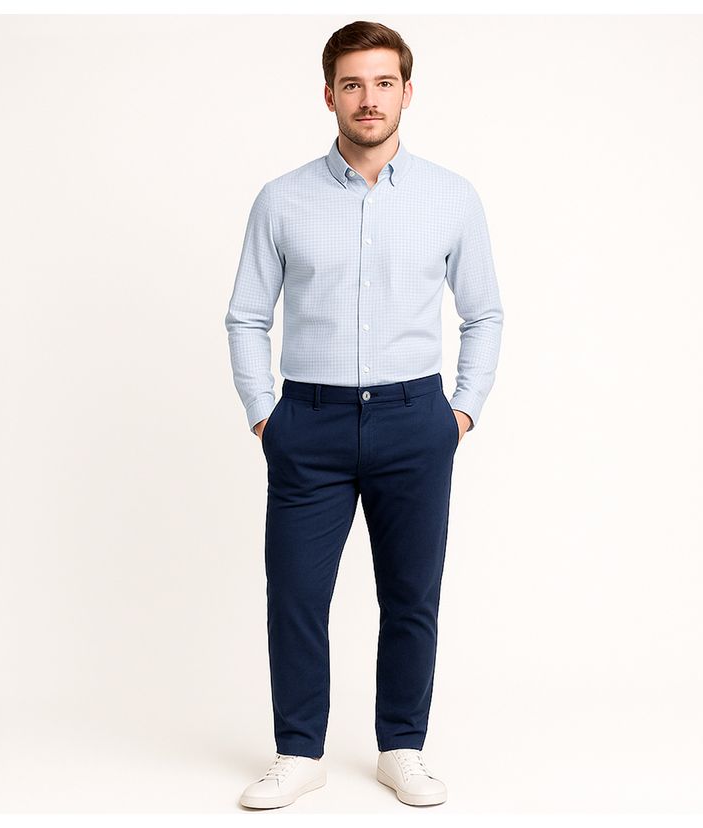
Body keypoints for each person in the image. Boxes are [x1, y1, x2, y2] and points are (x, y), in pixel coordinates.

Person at [224, 19, 503, 810]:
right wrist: (265, 416)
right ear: (329, 95)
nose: (369, 98)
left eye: (384, 83)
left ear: (408, 92)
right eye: (353, 84)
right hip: (307, 422)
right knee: (295, 595)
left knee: (411, 595)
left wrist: (461, 412)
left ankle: (402, 749)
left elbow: (484, 313)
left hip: (416, 419)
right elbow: (247, 315)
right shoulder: (282, 199)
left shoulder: (451, 197)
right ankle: (298, 753)